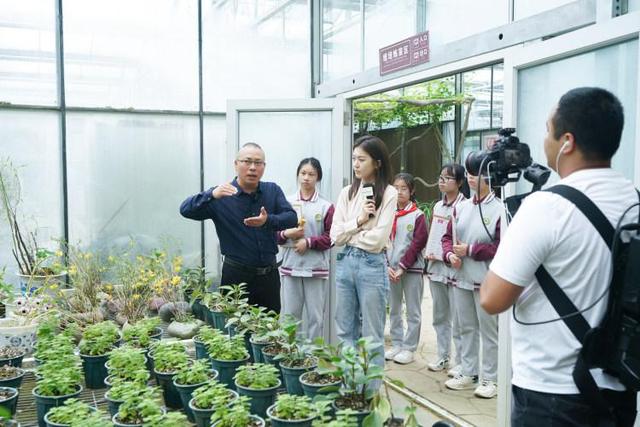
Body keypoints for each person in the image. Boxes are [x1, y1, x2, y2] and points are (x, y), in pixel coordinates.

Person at [481, 87, 638, 426]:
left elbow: (493, 299)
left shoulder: (547, 207)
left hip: (553, 395)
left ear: (566, 141)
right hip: (620, 390)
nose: (544, 140)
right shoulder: (633, 199)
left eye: (547, 129)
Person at [179, 142, 297, 313]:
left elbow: (291, 218)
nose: (252, 168)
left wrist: (267, 221)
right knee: (234, 332)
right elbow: (185, 210)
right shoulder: (221, 195)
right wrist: (210, 194)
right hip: (236, 278)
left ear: (264, 167)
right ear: (236, 164)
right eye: (247, 161)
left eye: (258, 163)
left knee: (269, 332)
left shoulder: (272, 190)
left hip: (268, 277)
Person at [330, 135, 397, 377]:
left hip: (372, 264)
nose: (356, 164)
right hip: (345, 261)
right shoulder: (347, 192)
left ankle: (370, 394)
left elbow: (378, 239)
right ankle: (350, 386)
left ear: (377, 163)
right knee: (345, 330)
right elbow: (335, 236)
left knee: (372, 334)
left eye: (361, 159)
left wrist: (351, 233)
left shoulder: (389, 193)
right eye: (354, 159)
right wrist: (359, 222)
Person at [441, 155, 502, 399]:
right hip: (461, 278)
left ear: (489, 177)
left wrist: (470, 251)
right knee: (465, 327)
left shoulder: (499, 210)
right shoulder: (461, 207)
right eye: (468, 173)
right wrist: (449, 256)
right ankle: (469, 372)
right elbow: (447, 238)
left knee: (489, 331)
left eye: (474, 173)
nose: (470, 178)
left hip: (486, 281)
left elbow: (501, 247)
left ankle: (491, 378)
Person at [277, 158, 334, 340]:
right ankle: (289, 357)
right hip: (290, 267)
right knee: (290, 316)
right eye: (303, 173)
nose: (306, 178)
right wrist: (288, 234)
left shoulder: (326, 206)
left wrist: (308, 242)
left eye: (311, 174)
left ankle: (313, 359)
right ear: (297, 175)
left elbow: (331, 237)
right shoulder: (286, 202)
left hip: (315, 269)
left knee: (315, 317)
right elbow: (276, 235)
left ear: (318, 178)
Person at [424, 163, 466, 376]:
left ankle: (461, 361)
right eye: (440, 177)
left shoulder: (465, 207)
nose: (442, 181)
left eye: (448, 178)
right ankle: (443, 355)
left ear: (459, 182)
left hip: (456, 269)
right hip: (436, 267)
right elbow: (434, 234)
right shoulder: (437, 207)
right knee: (440, 315)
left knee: (459, 318)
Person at [385, 173, 428, 365]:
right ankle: (397, 343)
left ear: (411, 191)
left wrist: (402, 266)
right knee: (394, 308)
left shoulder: (417, 215)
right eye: (396, 188)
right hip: (390, 269)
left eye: (404, 188)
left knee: (413, 310)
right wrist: (386, 265)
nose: (399, 192)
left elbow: (418, 243)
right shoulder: (387, 213)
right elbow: (382, 240)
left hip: (411, 270)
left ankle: (409, 348)